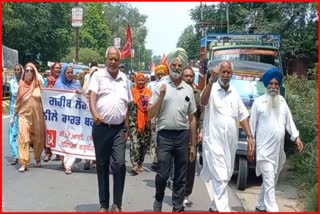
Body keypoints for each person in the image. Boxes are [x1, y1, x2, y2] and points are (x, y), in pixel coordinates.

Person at [200, 60, 255, 212]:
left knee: (226, 175)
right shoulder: (211, 88)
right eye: (222, 72)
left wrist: (250, 137)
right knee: (220, 176)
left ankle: (214, 208)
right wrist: (210, 80)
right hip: (214, 142)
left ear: (232, 74)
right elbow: (203, 101)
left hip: (230, 144)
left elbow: (243, 116)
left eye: (228, 72)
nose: (225, 75)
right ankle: (224, 209)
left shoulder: (234, 93)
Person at [148, 48, 197, 212]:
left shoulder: (188, 89)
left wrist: (193, 144)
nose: (177, 67)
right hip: (165, 136)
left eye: (179, 65)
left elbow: (192, 118)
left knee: (180, 176)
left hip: (182, 136)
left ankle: (177, 208)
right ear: (169, 66)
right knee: (162, 174)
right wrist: (161, 96)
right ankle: (159, 198)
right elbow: (150, 113)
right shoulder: (161, 86)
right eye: (174, 65)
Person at [249, 67, 304, 212]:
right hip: (264, 151)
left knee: (271, 181)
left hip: (278, 151)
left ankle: (260, 205)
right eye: (271, 84)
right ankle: (273, 209)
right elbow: (251, 126)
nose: (273, 87)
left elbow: (289, 122)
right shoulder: (258, 103)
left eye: (276, 84)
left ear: (279, 86)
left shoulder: (282, 102)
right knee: (269, 182)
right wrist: (251, 143)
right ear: (266, 85)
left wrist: (296, 137)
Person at [88, 46, 132, 212]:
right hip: (101, 128)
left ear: (119, 61)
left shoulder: (124, 79)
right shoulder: (98, 76)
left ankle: (117, 204)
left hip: (119, 129)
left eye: (116, 59)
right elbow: (92, 96)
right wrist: (95, 113)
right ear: (106, 59)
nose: (113, 62)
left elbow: (127, 104)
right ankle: (104, 204)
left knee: (119, 164)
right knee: (102, 165)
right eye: (110, 59)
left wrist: (126, 128)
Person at [12, 62, 46, 172]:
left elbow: (47, 98)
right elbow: (18, 101)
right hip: (23, 115)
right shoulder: (21, 85)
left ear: (34, 72)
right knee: (23, 137)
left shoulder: (38, 84)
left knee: (38, 139)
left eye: (31, 71)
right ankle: (24, 162)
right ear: (24, 72)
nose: (29, 73)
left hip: (37, 116)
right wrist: (13, 116)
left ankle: (37, 158)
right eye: (27, 70)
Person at [181, 66, 204, 207]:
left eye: (191, 76)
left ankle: (186, 194)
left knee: (190, 164)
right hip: (178, 132)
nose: (189, 78)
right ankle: (178, 190)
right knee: (179, 165)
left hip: (192, 135)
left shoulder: (197, 93)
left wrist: (201, 130)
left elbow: (201, 113)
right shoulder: (177, 91)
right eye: (186, 76)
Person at [53, 64, 82, 174]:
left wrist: (80, 93)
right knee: (63, 139)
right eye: (68, 73)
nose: (70, 75)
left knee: (74, 138)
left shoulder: (77, 84)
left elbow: (83, 98)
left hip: (74, 117)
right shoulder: (59, 84)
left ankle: (68, 164)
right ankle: (65, 160)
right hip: (62, 118)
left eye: (71, 72)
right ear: (64, 73)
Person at [129, 73, 152, 175]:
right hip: (133, 122)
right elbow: (128, 107)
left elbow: (152, 108)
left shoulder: (149, 93)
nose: (141, 82)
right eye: (139, 80)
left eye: (143, 80)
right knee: (135, 144)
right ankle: (134, 165)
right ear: (136, 81)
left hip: (146, 123)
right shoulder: (132, 92)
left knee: (143, 144)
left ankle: (140, 163)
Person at [147, 64, 169, 171]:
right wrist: (152, 120)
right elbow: (151, 104)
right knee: (154, 140)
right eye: (158, 74)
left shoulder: (169, 85)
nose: (160, 76)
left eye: (162, 74)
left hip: (165, 118)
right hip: (155, 115)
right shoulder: (152, 85)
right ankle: (154, 160)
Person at [44, 62, 62, 162]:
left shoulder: (63, 80)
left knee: (59, 131)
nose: (58, 70)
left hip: (61, 110)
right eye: (56, 68)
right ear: (52, 69)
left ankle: (59, 153)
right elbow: (44, 91)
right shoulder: (48, 80)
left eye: (59, 68)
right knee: (49, 131)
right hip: (50, 109)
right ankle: (48, 152)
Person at [8, 64, 23, 165]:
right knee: (12, 133)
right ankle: (15, 155)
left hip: (23, 111)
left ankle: (23, 154)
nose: (17, 72)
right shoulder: (11, 82)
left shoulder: (24, 83)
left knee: (21, 133)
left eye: (19, 70)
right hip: (14, 111)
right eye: (15, 70)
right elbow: (11, 97)